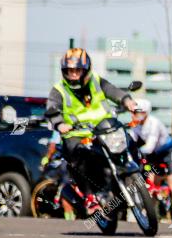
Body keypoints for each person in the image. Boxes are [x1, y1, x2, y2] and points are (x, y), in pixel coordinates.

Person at [45, 47, 136, 213]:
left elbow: (113, 92)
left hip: (103, 129)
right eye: (69, 71)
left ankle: (130, 175)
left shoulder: (96, 81)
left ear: (86, 69)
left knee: (128, 138)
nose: (73, 74)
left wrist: (127, 101)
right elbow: (52, 109)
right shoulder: (58, 89)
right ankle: (90, 198)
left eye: (77, 70)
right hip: (76, 134)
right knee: (79, 157)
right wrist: (60, 124)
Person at [130, 98, 172, 219]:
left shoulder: (154, 123)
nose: (134, 115)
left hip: (168, 151)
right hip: (154, 154)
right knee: (153, 183)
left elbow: (150, 146)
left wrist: (137, 151)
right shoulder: (136, 125)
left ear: (145, 112)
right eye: (134, 112)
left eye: (137, 112)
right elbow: (131, 141)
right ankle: (150, 214)